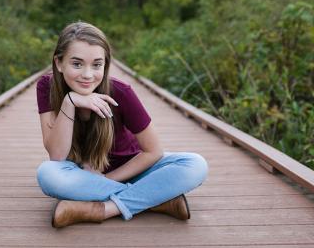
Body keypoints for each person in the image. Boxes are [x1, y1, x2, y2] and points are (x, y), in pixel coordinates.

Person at [36, 21, 208, 228]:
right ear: (59, 63)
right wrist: (70, 101)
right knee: (47, 174)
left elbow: (153, 152)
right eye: (77, 64)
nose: (88, 75)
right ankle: (156, 200)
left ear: (105, 65)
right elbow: (56, 155)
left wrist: (107, 178)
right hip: (81, 173)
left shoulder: (121, 92)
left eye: (97, 65)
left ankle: (104, 209)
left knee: (195, 164)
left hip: (131, 169)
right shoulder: (47, 87)